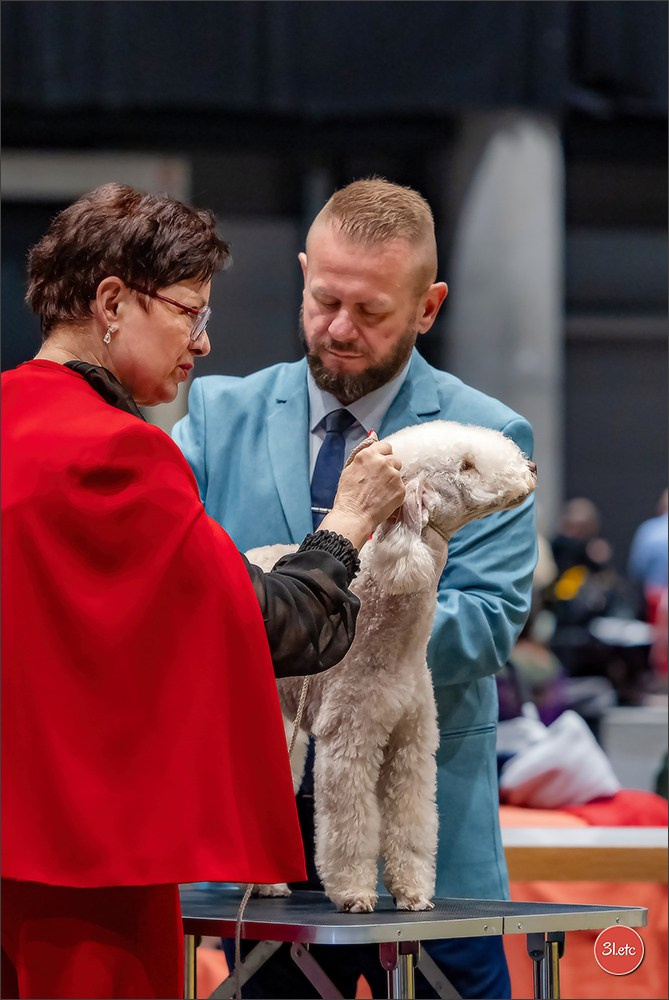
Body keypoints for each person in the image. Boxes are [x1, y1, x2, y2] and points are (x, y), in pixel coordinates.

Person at [1, 183, 406, 1000]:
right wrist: (350, 526)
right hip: (78, 876)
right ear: (111, 301)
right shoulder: (120, 455)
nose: (204, 341)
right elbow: (277, 627)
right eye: (189, 311)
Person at [174, 177, 537, 1000]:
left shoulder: (486, 437)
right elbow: (187, 595)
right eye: (322, 299)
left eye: (369, 312)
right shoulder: (216, 416)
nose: (337, 330)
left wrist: (328, 634)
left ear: (428, 307)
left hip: (427, 852)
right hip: (265, 841)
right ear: (302, 273)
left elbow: (486, 623)